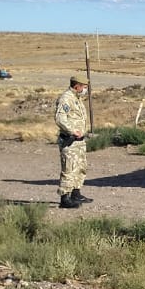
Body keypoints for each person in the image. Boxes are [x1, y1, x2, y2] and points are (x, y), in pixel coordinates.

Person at [54, 75, 91, 209]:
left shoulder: (77, 99)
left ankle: (76, 193)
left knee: (80, 167)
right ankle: (65, 198)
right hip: (70, 141)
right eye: (84, 87)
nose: (85, 89)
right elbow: (60, 118)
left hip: (79, 142)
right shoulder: (66, 98)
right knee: (69, 169)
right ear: (77, 86)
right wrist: (71, 131)